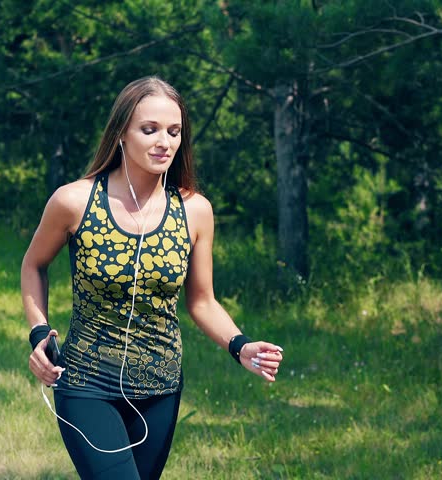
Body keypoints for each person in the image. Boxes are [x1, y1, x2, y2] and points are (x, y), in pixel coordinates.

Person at [21, 76, 284, 479]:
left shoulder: (194, 211)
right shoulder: (74, 201)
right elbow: (33, 265)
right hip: (87, 381)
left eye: (174, 131)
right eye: (150, 130)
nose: (164, 141)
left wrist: (240, 346)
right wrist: (40, 333)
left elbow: (202, 301)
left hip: (161, 387)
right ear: (122, 134)